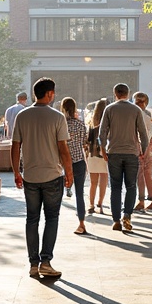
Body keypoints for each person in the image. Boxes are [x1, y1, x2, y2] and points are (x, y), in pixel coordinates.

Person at [12, 78, 73, 279]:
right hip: (53, 175)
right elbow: (63, 149)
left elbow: (15, 147)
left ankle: (33, 264)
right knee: (52, 218)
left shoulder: (22, 115)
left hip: (30, 175)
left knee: (32, 219)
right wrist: (69, 173)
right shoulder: (57, 117)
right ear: (49, 94)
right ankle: (46, 261)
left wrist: (16, 173)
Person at [98, 83, 149, 233]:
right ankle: (127, 215)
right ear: (128, 93)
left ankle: (115, 220)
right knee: (131, 186)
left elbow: (102, 133)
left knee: (115, 187)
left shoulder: (109, 109)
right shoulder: (136, 110)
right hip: (132, 153)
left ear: (115, 93)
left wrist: (103, 150)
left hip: (114, 152)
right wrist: (143, 151)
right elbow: (143, 134)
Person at [61, 97, 89, 235]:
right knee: (80, 194)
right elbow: (85, 142)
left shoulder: (60, 124)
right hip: (79, 162)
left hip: (62, 164)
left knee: (55, 194)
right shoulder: (80, 124)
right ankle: (82, 223)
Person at [86, 98, 110, 215]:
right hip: (104, 155)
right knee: (103, 182)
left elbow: (87, 141)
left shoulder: (91, 124)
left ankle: (91, 204)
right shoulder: (108, 124)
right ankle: (100, 204)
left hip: (92, 155)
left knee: (93, 182)